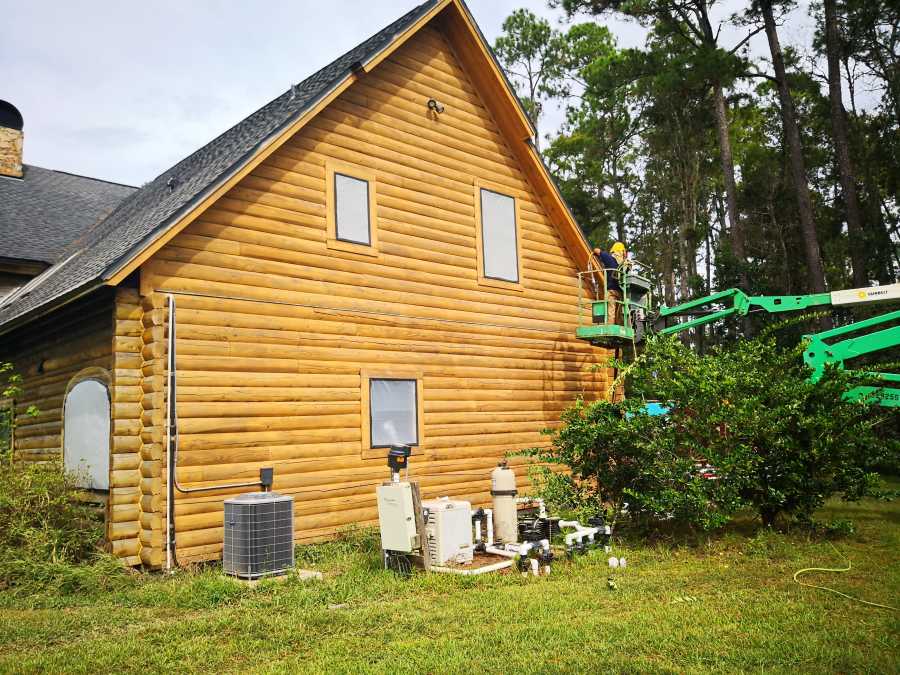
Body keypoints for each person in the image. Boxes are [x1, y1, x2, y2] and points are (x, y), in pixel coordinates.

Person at [593, 242, 627, 325]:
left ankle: (610, 327)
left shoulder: (609, 258)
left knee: (611, 311)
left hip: (611, 291)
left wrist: (596, 253)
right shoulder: (623, 264)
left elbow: (597, 250)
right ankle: (619, 327)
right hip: (621, 292)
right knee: (619, 313)